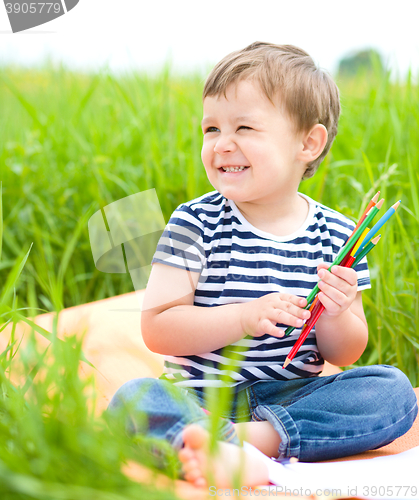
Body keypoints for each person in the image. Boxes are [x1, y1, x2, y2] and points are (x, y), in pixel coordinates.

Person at [107, 42, 418, 489]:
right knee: (136, 397)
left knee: (392, 392)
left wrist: (335, 312)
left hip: (294, 397)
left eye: (244, 127)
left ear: (308, 143)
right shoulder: (194, 222)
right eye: (211, 128)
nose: (221, 144)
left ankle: (248, 444)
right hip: (200, 397)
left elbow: (345, 354)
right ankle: (217, 442)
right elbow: (158, 328)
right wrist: (242, 318)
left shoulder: (339, 235)